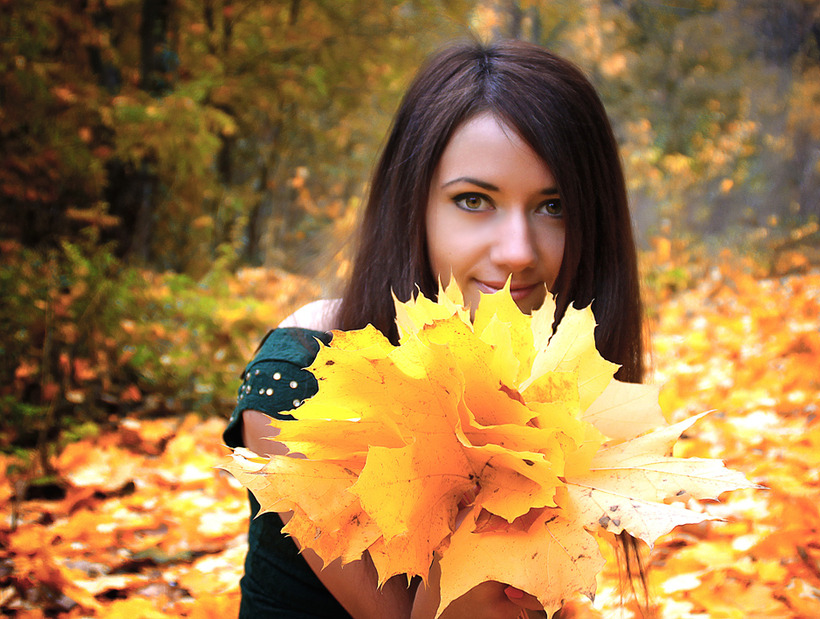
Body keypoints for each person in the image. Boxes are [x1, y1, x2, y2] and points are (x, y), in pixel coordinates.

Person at [222, 38, 645, 619]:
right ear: (413, 206)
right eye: (474, 201)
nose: (519, 251)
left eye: (554, 206)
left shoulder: (552, 377)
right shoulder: (303, 378)